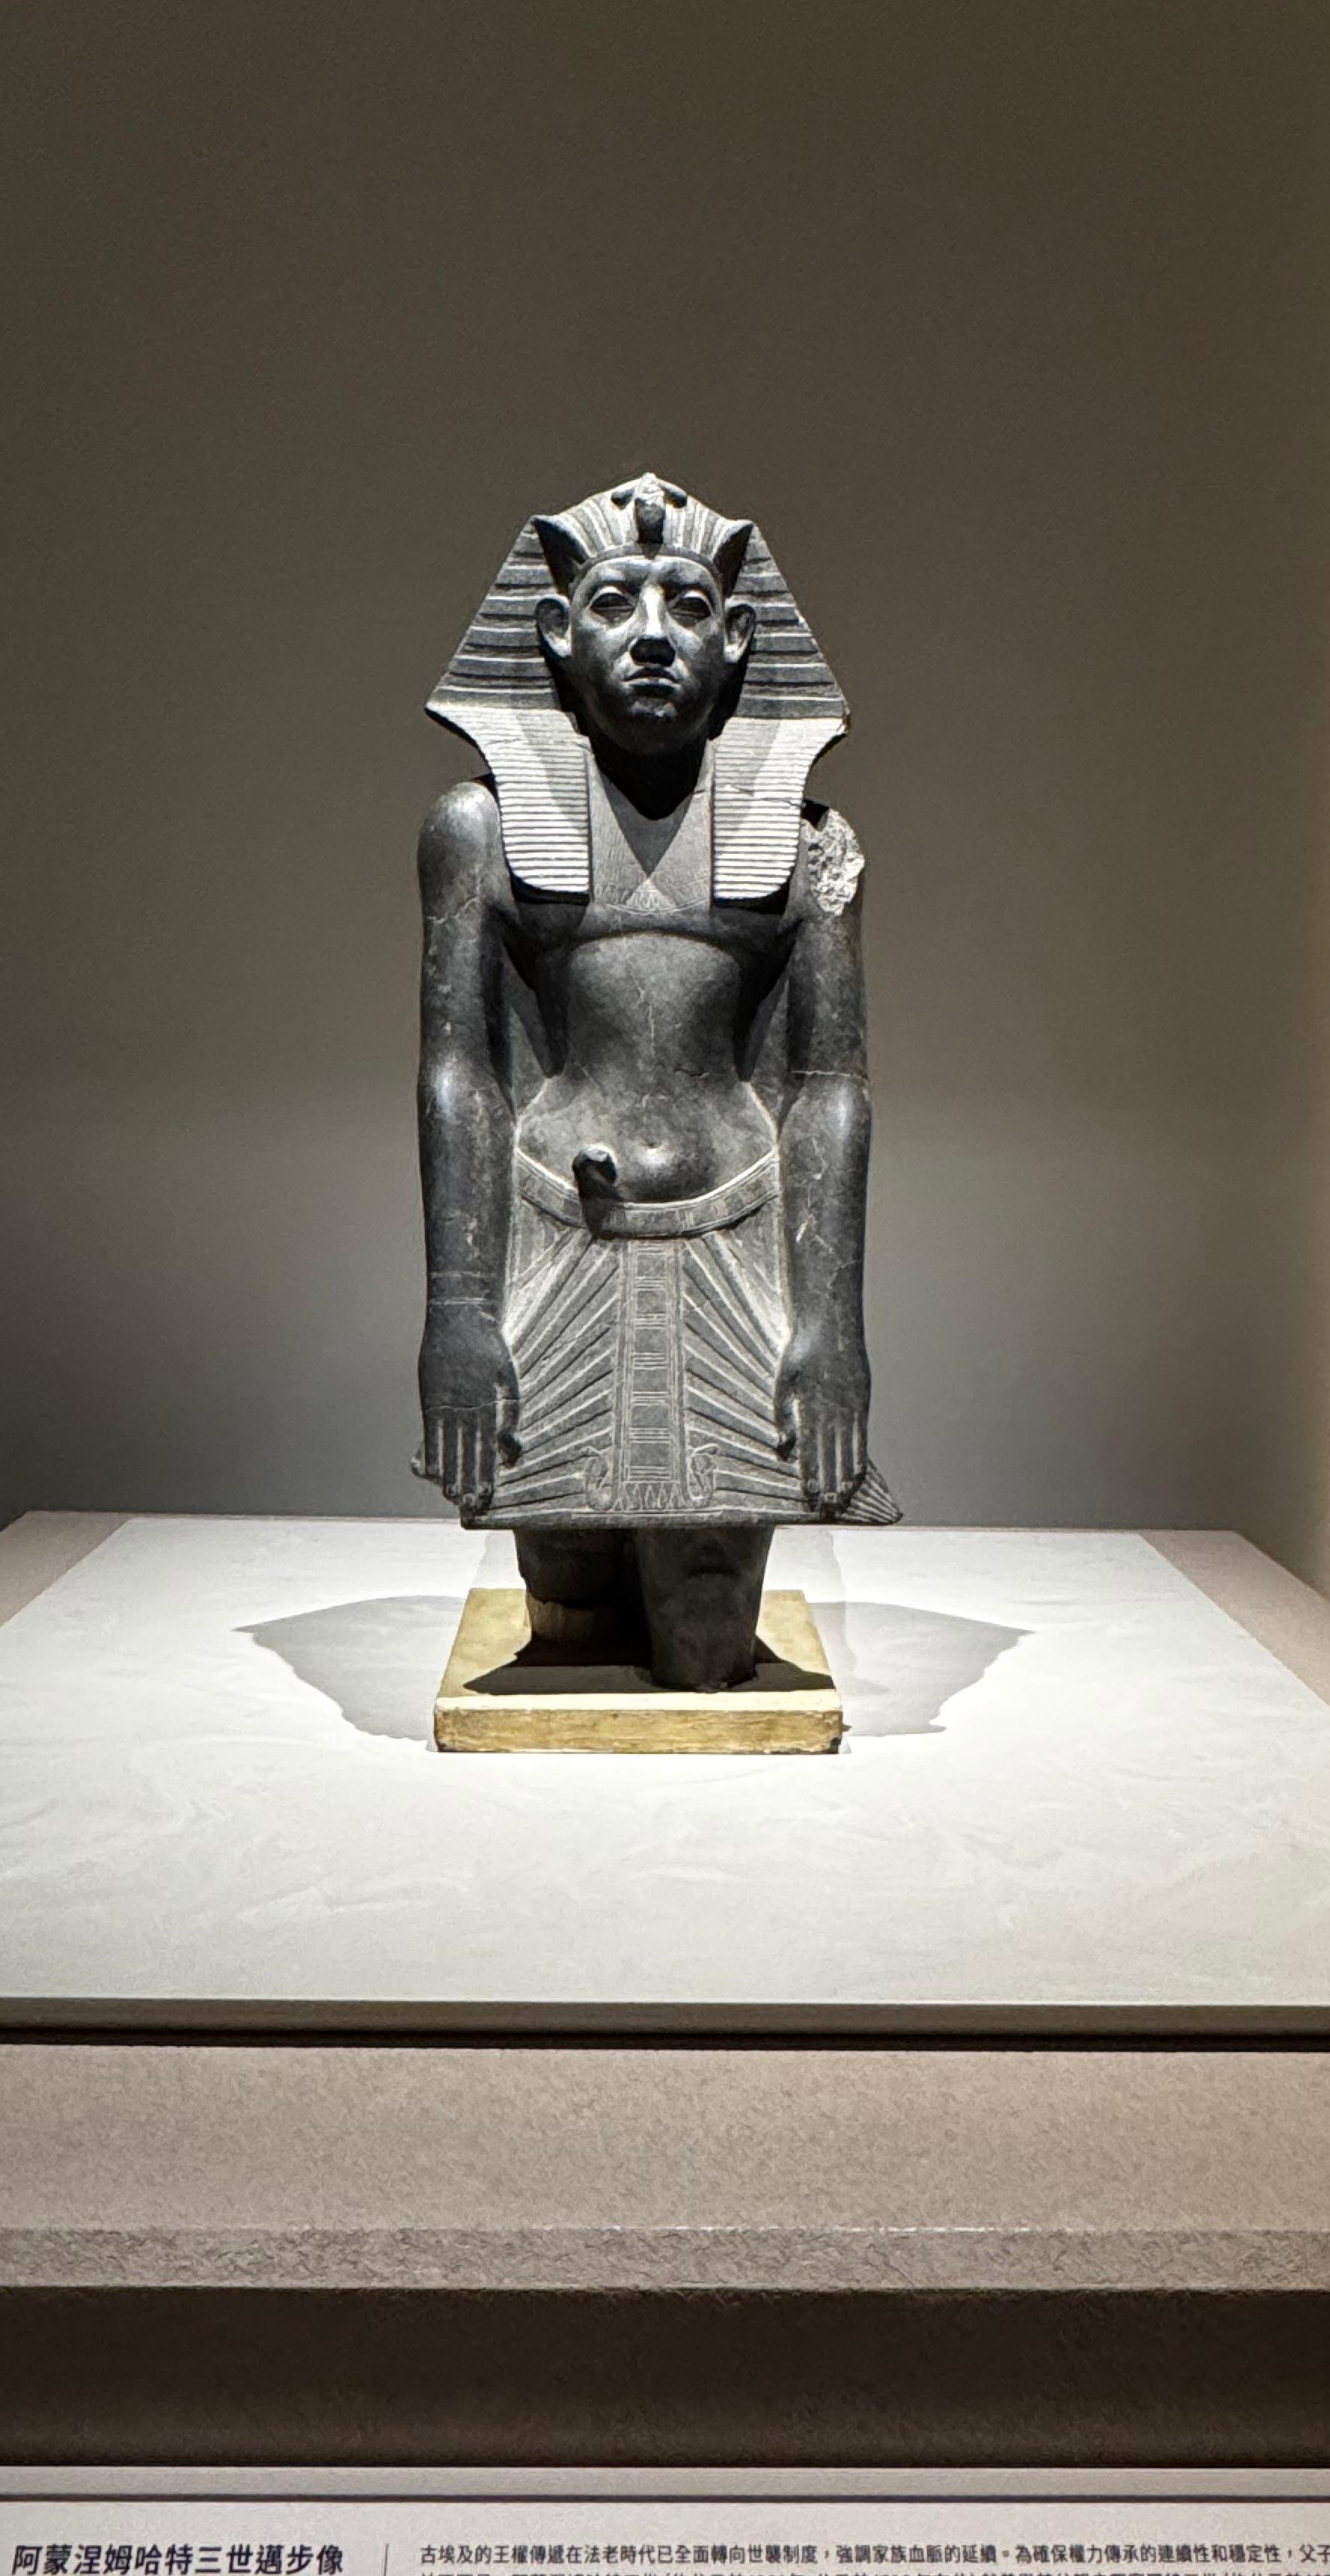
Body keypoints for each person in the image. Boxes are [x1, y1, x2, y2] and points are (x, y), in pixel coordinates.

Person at [415, 473, 894, 1690]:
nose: (648, 637)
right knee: (567, 1620)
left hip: (736, 1251)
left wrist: (831, 1324)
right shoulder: (479, 831)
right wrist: (460, 1312)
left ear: (738, 642)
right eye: (612, 603)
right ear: (553, 633)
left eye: (685, 605)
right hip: (554, 1239)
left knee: (704, 1649)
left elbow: (827, 1087)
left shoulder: (808, 848)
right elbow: (463, 1072)